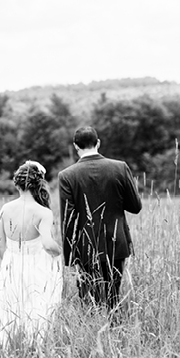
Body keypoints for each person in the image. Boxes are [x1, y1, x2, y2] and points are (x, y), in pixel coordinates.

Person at [58, 126, 142, 311]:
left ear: (75, 146)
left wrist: (70, 258)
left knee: (90, 303)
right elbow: (135, 206)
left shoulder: (66, 176)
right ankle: (115, 333)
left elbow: (68, 220)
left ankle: (94, 334)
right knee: (113, 298)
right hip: (116, 244)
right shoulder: (120, 167)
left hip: (84, 249)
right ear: (98, 143)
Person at [0, 160, 63, 346]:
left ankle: (6, 345)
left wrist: (10, 262)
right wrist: (59, 253)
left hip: (11, 264)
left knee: (10, 306)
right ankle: (35, 345)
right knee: (37, 306)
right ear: (39, 183)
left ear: (17, 183)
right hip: (36, 266)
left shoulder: (5, 209)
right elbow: (48, 244)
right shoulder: (43, 212)